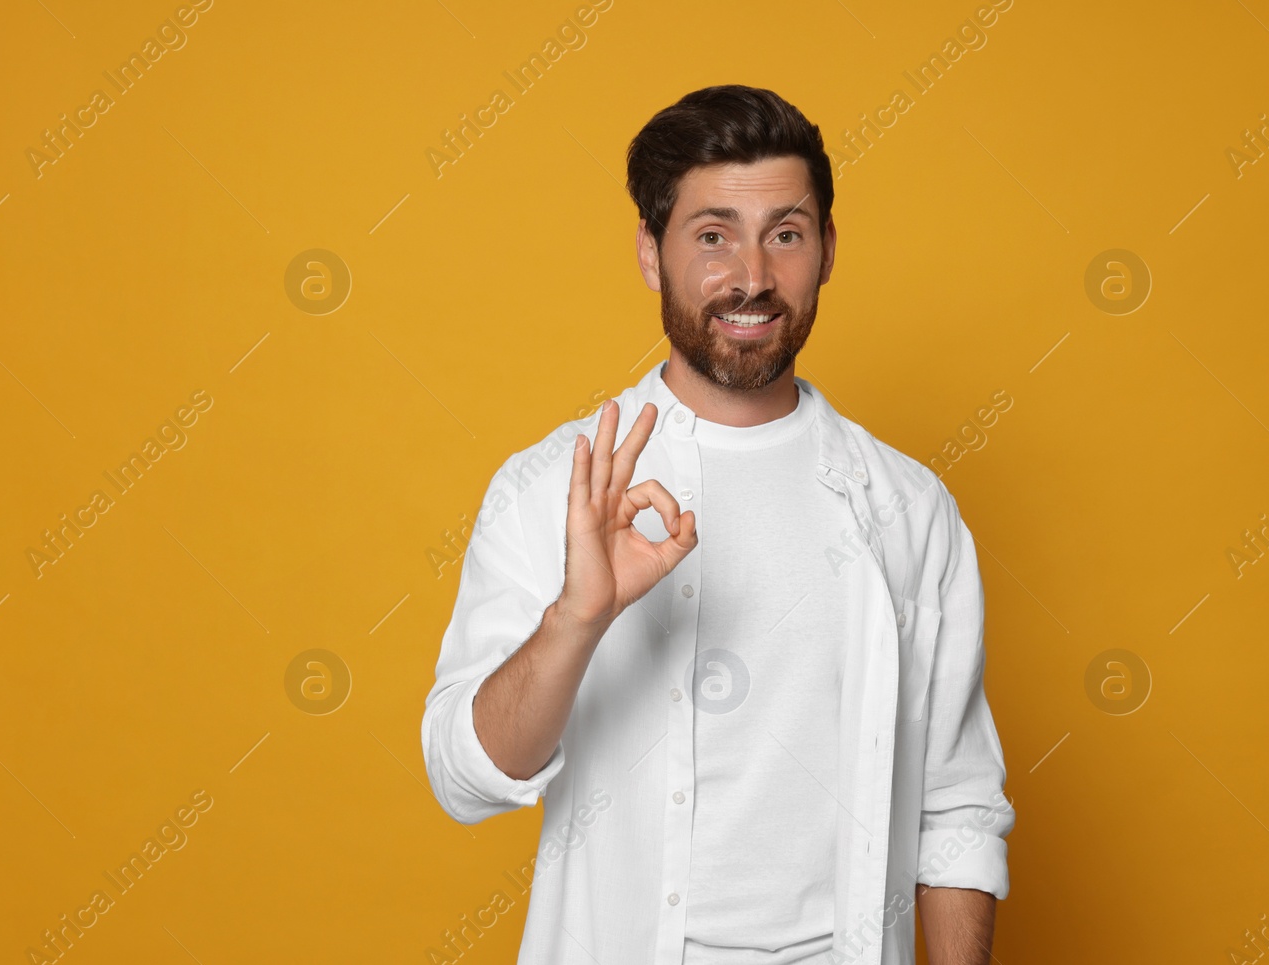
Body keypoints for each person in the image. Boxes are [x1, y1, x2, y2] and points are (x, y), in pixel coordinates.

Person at [421, 84, 1013, 965]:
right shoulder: (555, 486)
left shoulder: (907, 508)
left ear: (827, 249)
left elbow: (955, 806)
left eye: (785, 233)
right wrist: (577, 618)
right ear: (652, 255)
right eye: (712, 236)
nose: (752, 277)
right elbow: (464, 777)